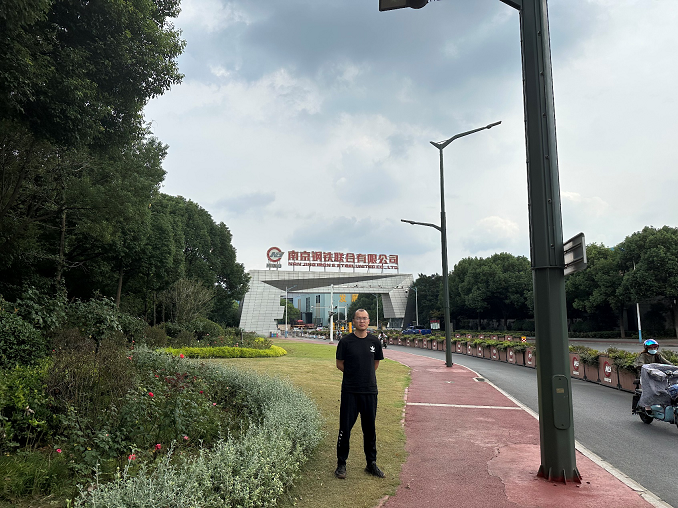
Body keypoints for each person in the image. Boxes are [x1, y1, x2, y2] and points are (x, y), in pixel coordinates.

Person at [334, 309, 385, 479]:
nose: (362, 321)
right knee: (345, 428)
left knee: (369, 429)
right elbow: (339, 363)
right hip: (350, 391)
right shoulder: (345, 342)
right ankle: (341, 464)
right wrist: (353, 375)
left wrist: (365, 376)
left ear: (368, 321)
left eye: (364, 318)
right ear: (353, 321)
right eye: (358, 318)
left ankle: (371, 464)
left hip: (369, 391)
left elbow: (375, 363)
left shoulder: (375, 341)